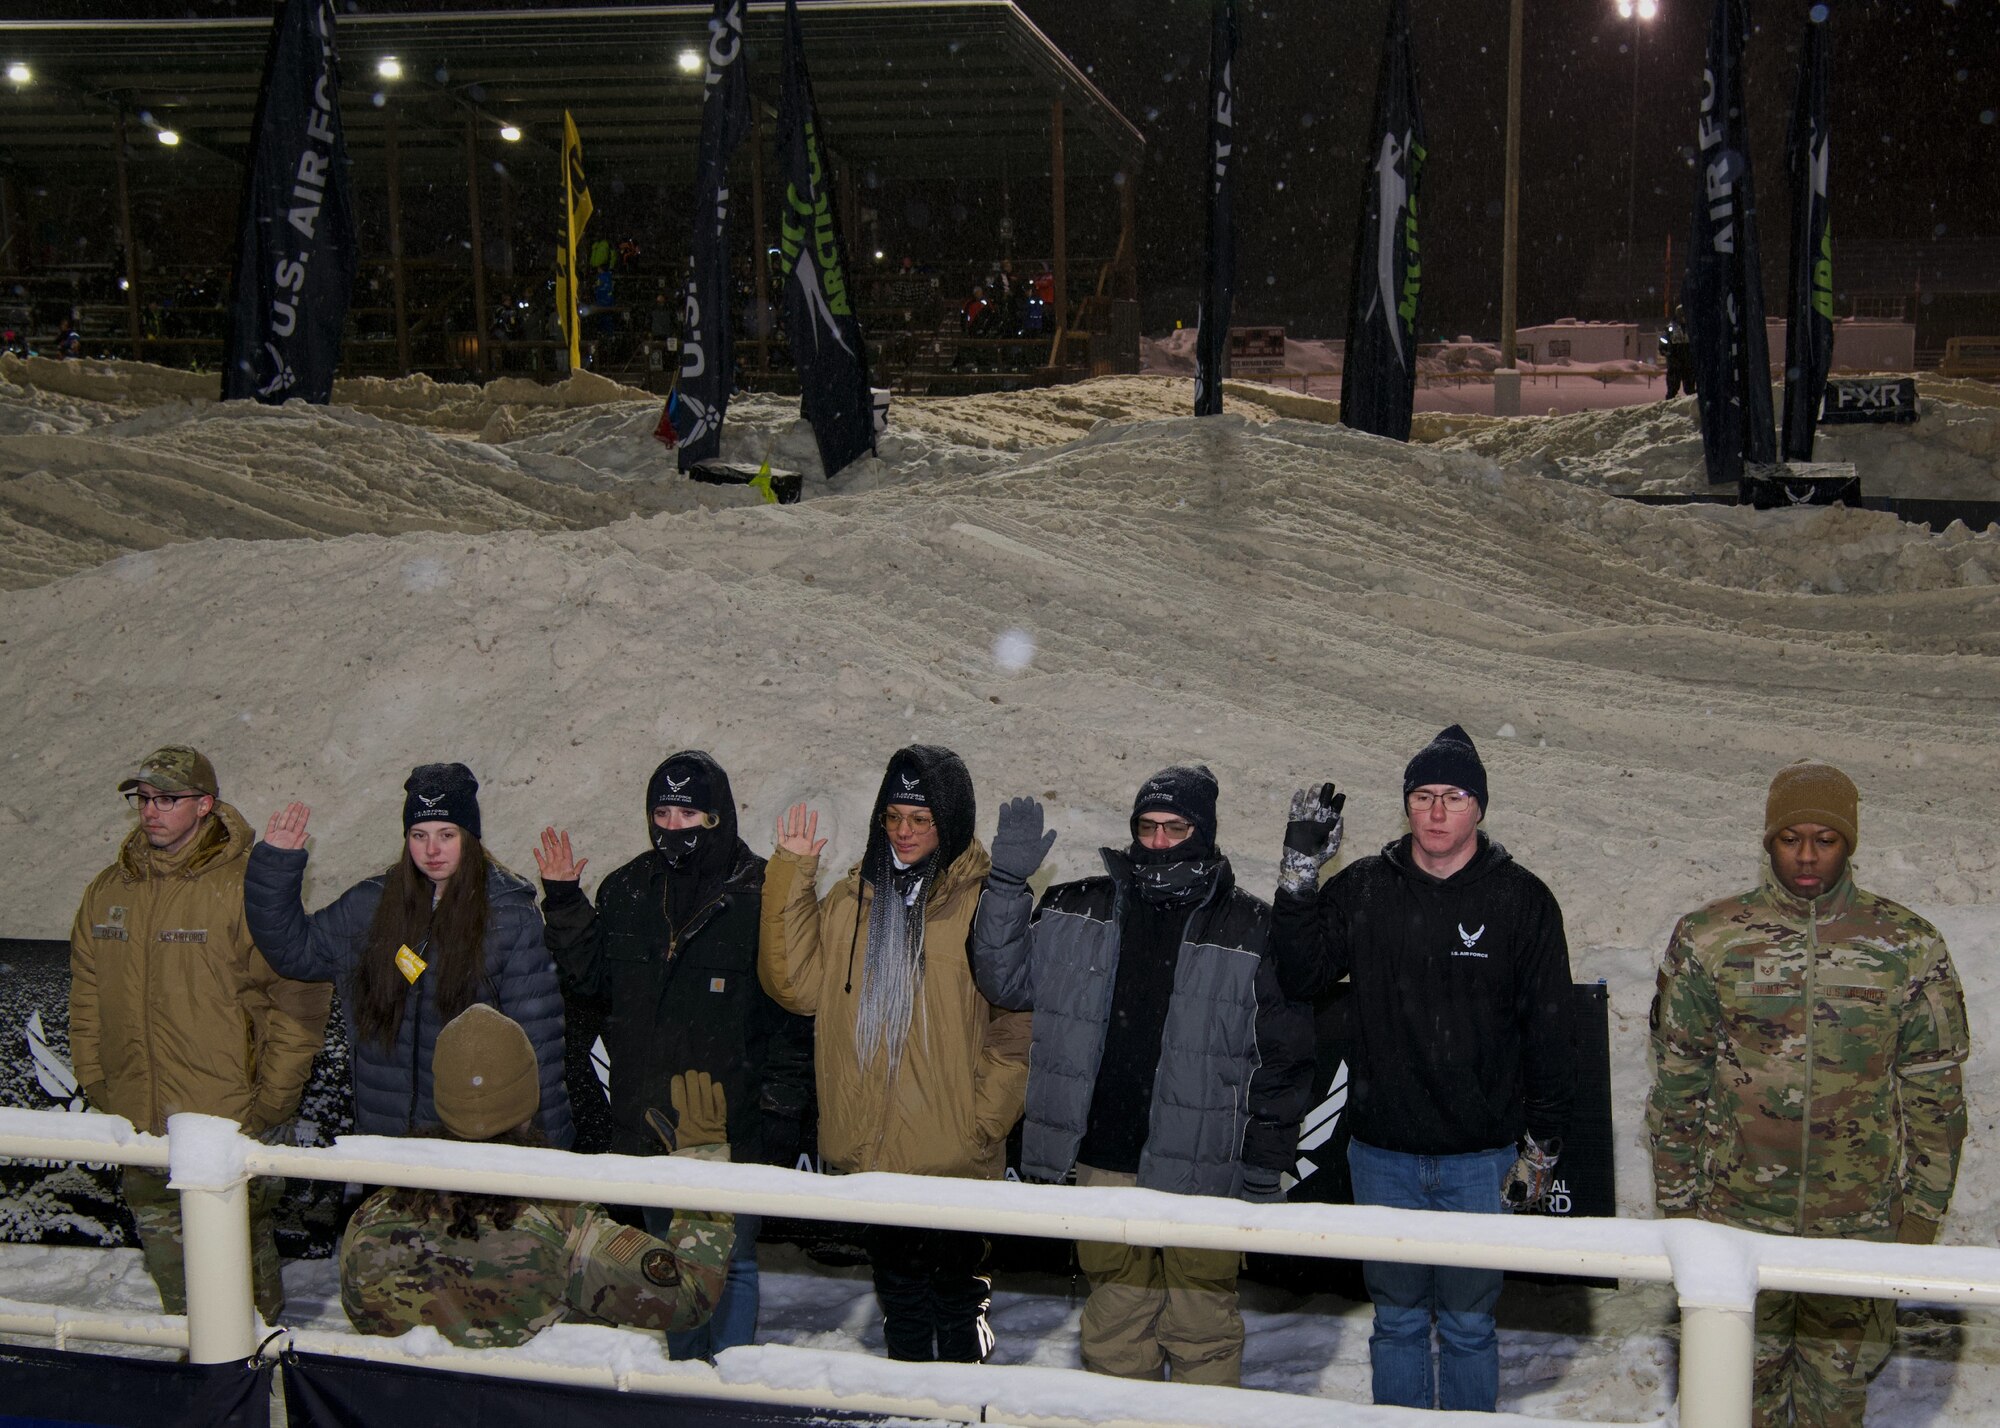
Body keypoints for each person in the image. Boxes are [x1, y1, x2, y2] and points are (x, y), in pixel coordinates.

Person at [1647, 761, 1968, 1428]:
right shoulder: (1712, 939)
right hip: (1734, 1227)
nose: (1806, 855)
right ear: (1769, 841)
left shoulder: (1905, 946)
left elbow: (1935, 1097)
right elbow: (1678, 1084)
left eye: (1825, 839)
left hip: (1854, 1233)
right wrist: (1680, 1214)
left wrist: (1919, 1220)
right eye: (1791, 837)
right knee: (1734, 1402)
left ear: (1849, 844)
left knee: (1835, 1407)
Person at [971, 766, 1313, 1385]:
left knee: (1202, 1328)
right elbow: (1004, 980)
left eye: (1174, 828)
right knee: (1113, 1326)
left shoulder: (1252, 927)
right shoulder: (1077, 906)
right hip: (1106, 1158)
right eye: (1147, 827)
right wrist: (1004, 884)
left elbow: (1282, 1058)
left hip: (1204, 1167)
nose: (1157, 842)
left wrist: (1265, 1160)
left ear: (1202, 833)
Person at [1270, 725, 1574, 1413]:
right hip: (1383, 1157)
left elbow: (1552, 1036)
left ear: (1480, 808)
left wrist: (1541, 1149)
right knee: (1398, 1325)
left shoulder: (1522, 902)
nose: (1437, 811)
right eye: (1423, 795)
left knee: (1469, 1328)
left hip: (1482, 1160)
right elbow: (1301, 972)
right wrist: (1299, 874)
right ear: (1406, 805)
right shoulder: (1367, 889)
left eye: (1455, 796)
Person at [535, 750, 812, 1360]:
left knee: (732, 1260)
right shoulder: (627, 888)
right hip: (649, 1119)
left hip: (731, 1122)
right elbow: (592, 986)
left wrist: (778, 1119)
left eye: (689, 812)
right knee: (664, 1263)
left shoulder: (761, 894)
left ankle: (730, 1390)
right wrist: (563, 901)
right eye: (663, 811)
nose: (675, 826)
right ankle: (686, 1383)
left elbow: (790, 1021)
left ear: (718, 817)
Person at [759, 744, 1030, 1363]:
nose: (903, 833)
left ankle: (961, 1411)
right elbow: (797, 987)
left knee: (960, 1309)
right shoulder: (854, 901)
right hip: (878, 1150)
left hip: (954, 1155)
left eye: (921, 819)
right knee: (901, 1306)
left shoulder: (987, 903)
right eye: (893, 817)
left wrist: (980, 1123)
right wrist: (792, 876)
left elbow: (1015, 1029)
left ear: (951, 822)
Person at [69, 745, 330, 1320]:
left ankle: (254, 1395)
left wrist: (272, 1099)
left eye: (167, 799)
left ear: (206, 805)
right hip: (140, 1126)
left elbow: (301, 995)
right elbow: (86, 994)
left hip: (227, 1123)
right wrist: (96, 1079)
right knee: (177, 1288)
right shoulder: (110, 890)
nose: (150, 811)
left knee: (242, 1294)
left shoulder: (246, 887)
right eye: (143, 799)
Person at [341, 1004, 734, 1347]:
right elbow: (689, 1297)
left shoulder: (372, 1218)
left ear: (442, 1098)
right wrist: (703, 1169)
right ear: (529, 1099)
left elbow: (362, 1313)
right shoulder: (564, 1226)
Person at [244, 762, 574, 1147]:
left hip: (471, 1138)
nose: (432, 850)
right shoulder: (370, 904)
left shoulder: (509, 915)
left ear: (470, 837)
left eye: (446, 834)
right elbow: (294, 952)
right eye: (419, 835)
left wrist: (550, 1154)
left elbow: (538, 1048)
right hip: (385, 1135)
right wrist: (276, 868)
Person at [1661, 304, 1695, 400]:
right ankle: (1669, 408)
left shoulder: (1693, 327)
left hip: (1689, 363)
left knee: (1690, 389)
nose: (1683, 317)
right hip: (1674, 363)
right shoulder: (1670, 328)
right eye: (1681, 314)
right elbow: (1663, 342)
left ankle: (1693, 408)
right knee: (1672, 389)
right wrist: (1666, 352)